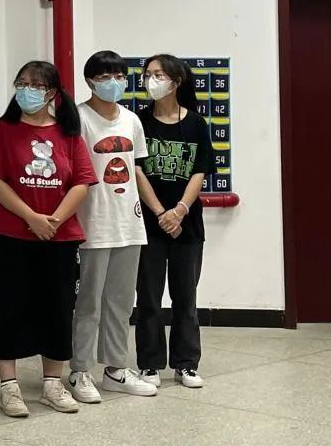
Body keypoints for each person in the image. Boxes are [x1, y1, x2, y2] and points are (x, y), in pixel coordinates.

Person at [0, 60, 97, 418]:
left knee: (57, 309)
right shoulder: (3, 131)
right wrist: (31, 217)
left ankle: (52, 384)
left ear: (52, 93)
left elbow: (82, 183)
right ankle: (9, 387)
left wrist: (54, 221)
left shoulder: (68, 133)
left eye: (36, 85)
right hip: (11, 235)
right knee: (6, 307)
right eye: (22, 83)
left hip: (59, 238)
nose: (27, 90)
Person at [67, 51, 158, 404]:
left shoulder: (132, 120)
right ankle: (79, 370)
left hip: (129, 222)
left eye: (120, 76)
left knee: (121, 302)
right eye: (105, 77)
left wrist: (156, 210)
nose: (114, 83)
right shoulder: (78, 117)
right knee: (88, 302)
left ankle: (116, 369)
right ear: (90, 81)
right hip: (92, 222)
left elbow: (136, 169)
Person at [135, 54, 215, 389]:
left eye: (158, 74)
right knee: (149, 298)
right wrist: (160, 213)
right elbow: (136, 170)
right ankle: (150, 364)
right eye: (147, 74)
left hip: (188, 226)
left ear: (176, 81)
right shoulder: (138, 121)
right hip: (149, 225)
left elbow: (199, 171)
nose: (151, 80)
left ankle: (186, 364)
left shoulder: (196, 123)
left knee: (186, 299)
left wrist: (180, 210)